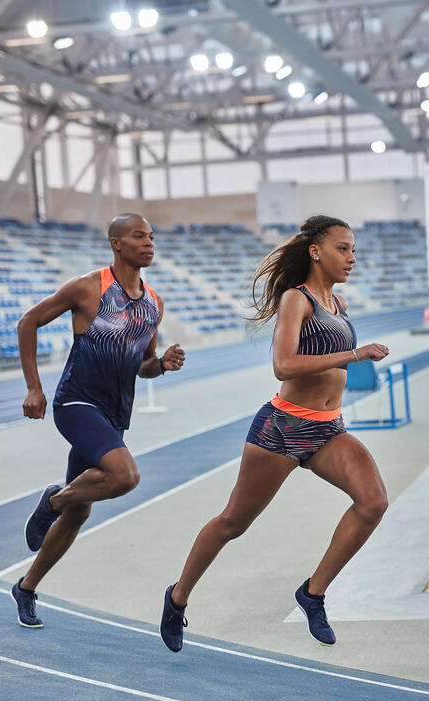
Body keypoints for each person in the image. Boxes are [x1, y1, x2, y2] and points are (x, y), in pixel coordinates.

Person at [160, 215, 389, 651]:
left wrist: (350, 357)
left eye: (353, 249)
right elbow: (283, 366)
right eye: (343, 248)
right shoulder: (296, 299)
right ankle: (177, 597)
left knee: (373, 502)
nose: (352, 258)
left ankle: (313, 593)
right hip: (283, 428)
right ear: (316, 251)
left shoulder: (337, 304)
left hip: (328, 429)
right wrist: (356, 353)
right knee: (232, 523)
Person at [11, 213, 186, 628]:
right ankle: (53, 499)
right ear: (116, 243)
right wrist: (34, 388)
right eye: (139, 236)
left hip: (113, 414)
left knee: (79, 513)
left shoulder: (153, 303)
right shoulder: (90, 287)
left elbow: (142, 366)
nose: (149, 242)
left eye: (152, 236)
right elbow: (28, 322)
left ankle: (26, 587)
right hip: (76, 403)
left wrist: (162, 364)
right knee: (125, 477)